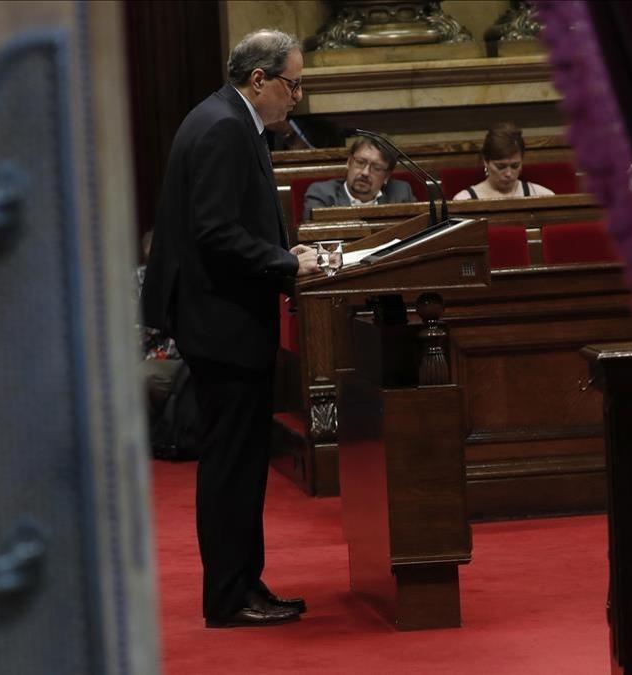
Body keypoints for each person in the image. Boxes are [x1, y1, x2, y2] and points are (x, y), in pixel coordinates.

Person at [140, 28, 321, 629]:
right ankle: (229, 596)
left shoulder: (223, 118)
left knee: (240, 463)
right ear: (259, 80)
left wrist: (285, 252)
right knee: (231, 465)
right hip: (222, 323)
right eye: (292, 85)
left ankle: (245, 584)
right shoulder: (223, 127)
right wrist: (288, 262)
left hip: (222, 318)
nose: (297, 98)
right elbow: (215, 231)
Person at [300, 135, 415, 221]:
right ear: (349, 162)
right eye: (360, 162)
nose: (365, 173)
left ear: (387, 176)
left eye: (376, 167)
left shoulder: (401, 194)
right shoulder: (322, 194)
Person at [453, 123, 556, 200]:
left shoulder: (543, 196)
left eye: (515, 166)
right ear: (486, 161)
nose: (508, 174)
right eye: (501, 166)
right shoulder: (464, 200)